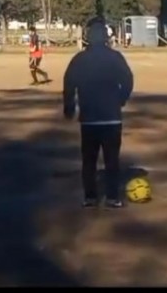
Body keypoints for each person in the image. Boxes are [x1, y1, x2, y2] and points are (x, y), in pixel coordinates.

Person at [63, 21, 134, 209]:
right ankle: (112, 197)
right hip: (112, 117)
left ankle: (90, 197)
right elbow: (128, 80)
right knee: (112, 160)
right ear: (106, 38)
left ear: (88, 38)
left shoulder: (79, 59)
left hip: (89, 118)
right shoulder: (115, 57)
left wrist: (69, 106)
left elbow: (69, 83)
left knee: (89, 160)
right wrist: (121, 98)